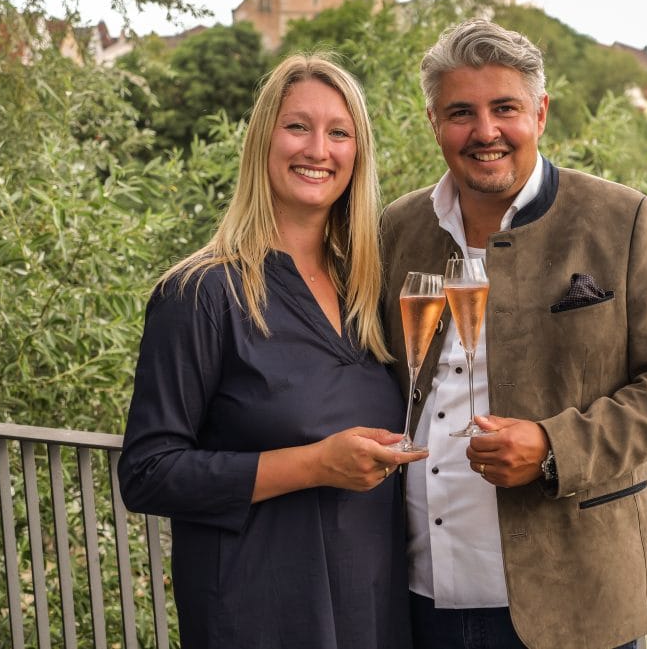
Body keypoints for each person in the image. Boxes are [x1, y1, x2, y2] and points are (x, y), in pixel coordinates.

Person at [379, 20, 647, 649]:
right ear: (434, 124)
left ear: (540, 113)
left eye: (504, 107)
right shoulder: (396, 229)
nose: (485, 132)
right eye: (461, 112)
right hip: (419, 596)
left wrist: (554, 445)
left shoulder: (623, 219)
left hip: (575, 600)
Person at [118, 54, 426, 649]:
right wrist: (313, 465)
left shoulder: (370, 290)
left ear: (357, 156)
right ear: (264, 140)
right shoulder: (199, 294)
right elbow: (148, 473)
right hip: (257, 610)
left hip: (372, 606)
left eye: (340, 132)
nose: (318, 149)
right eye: (297, 126)